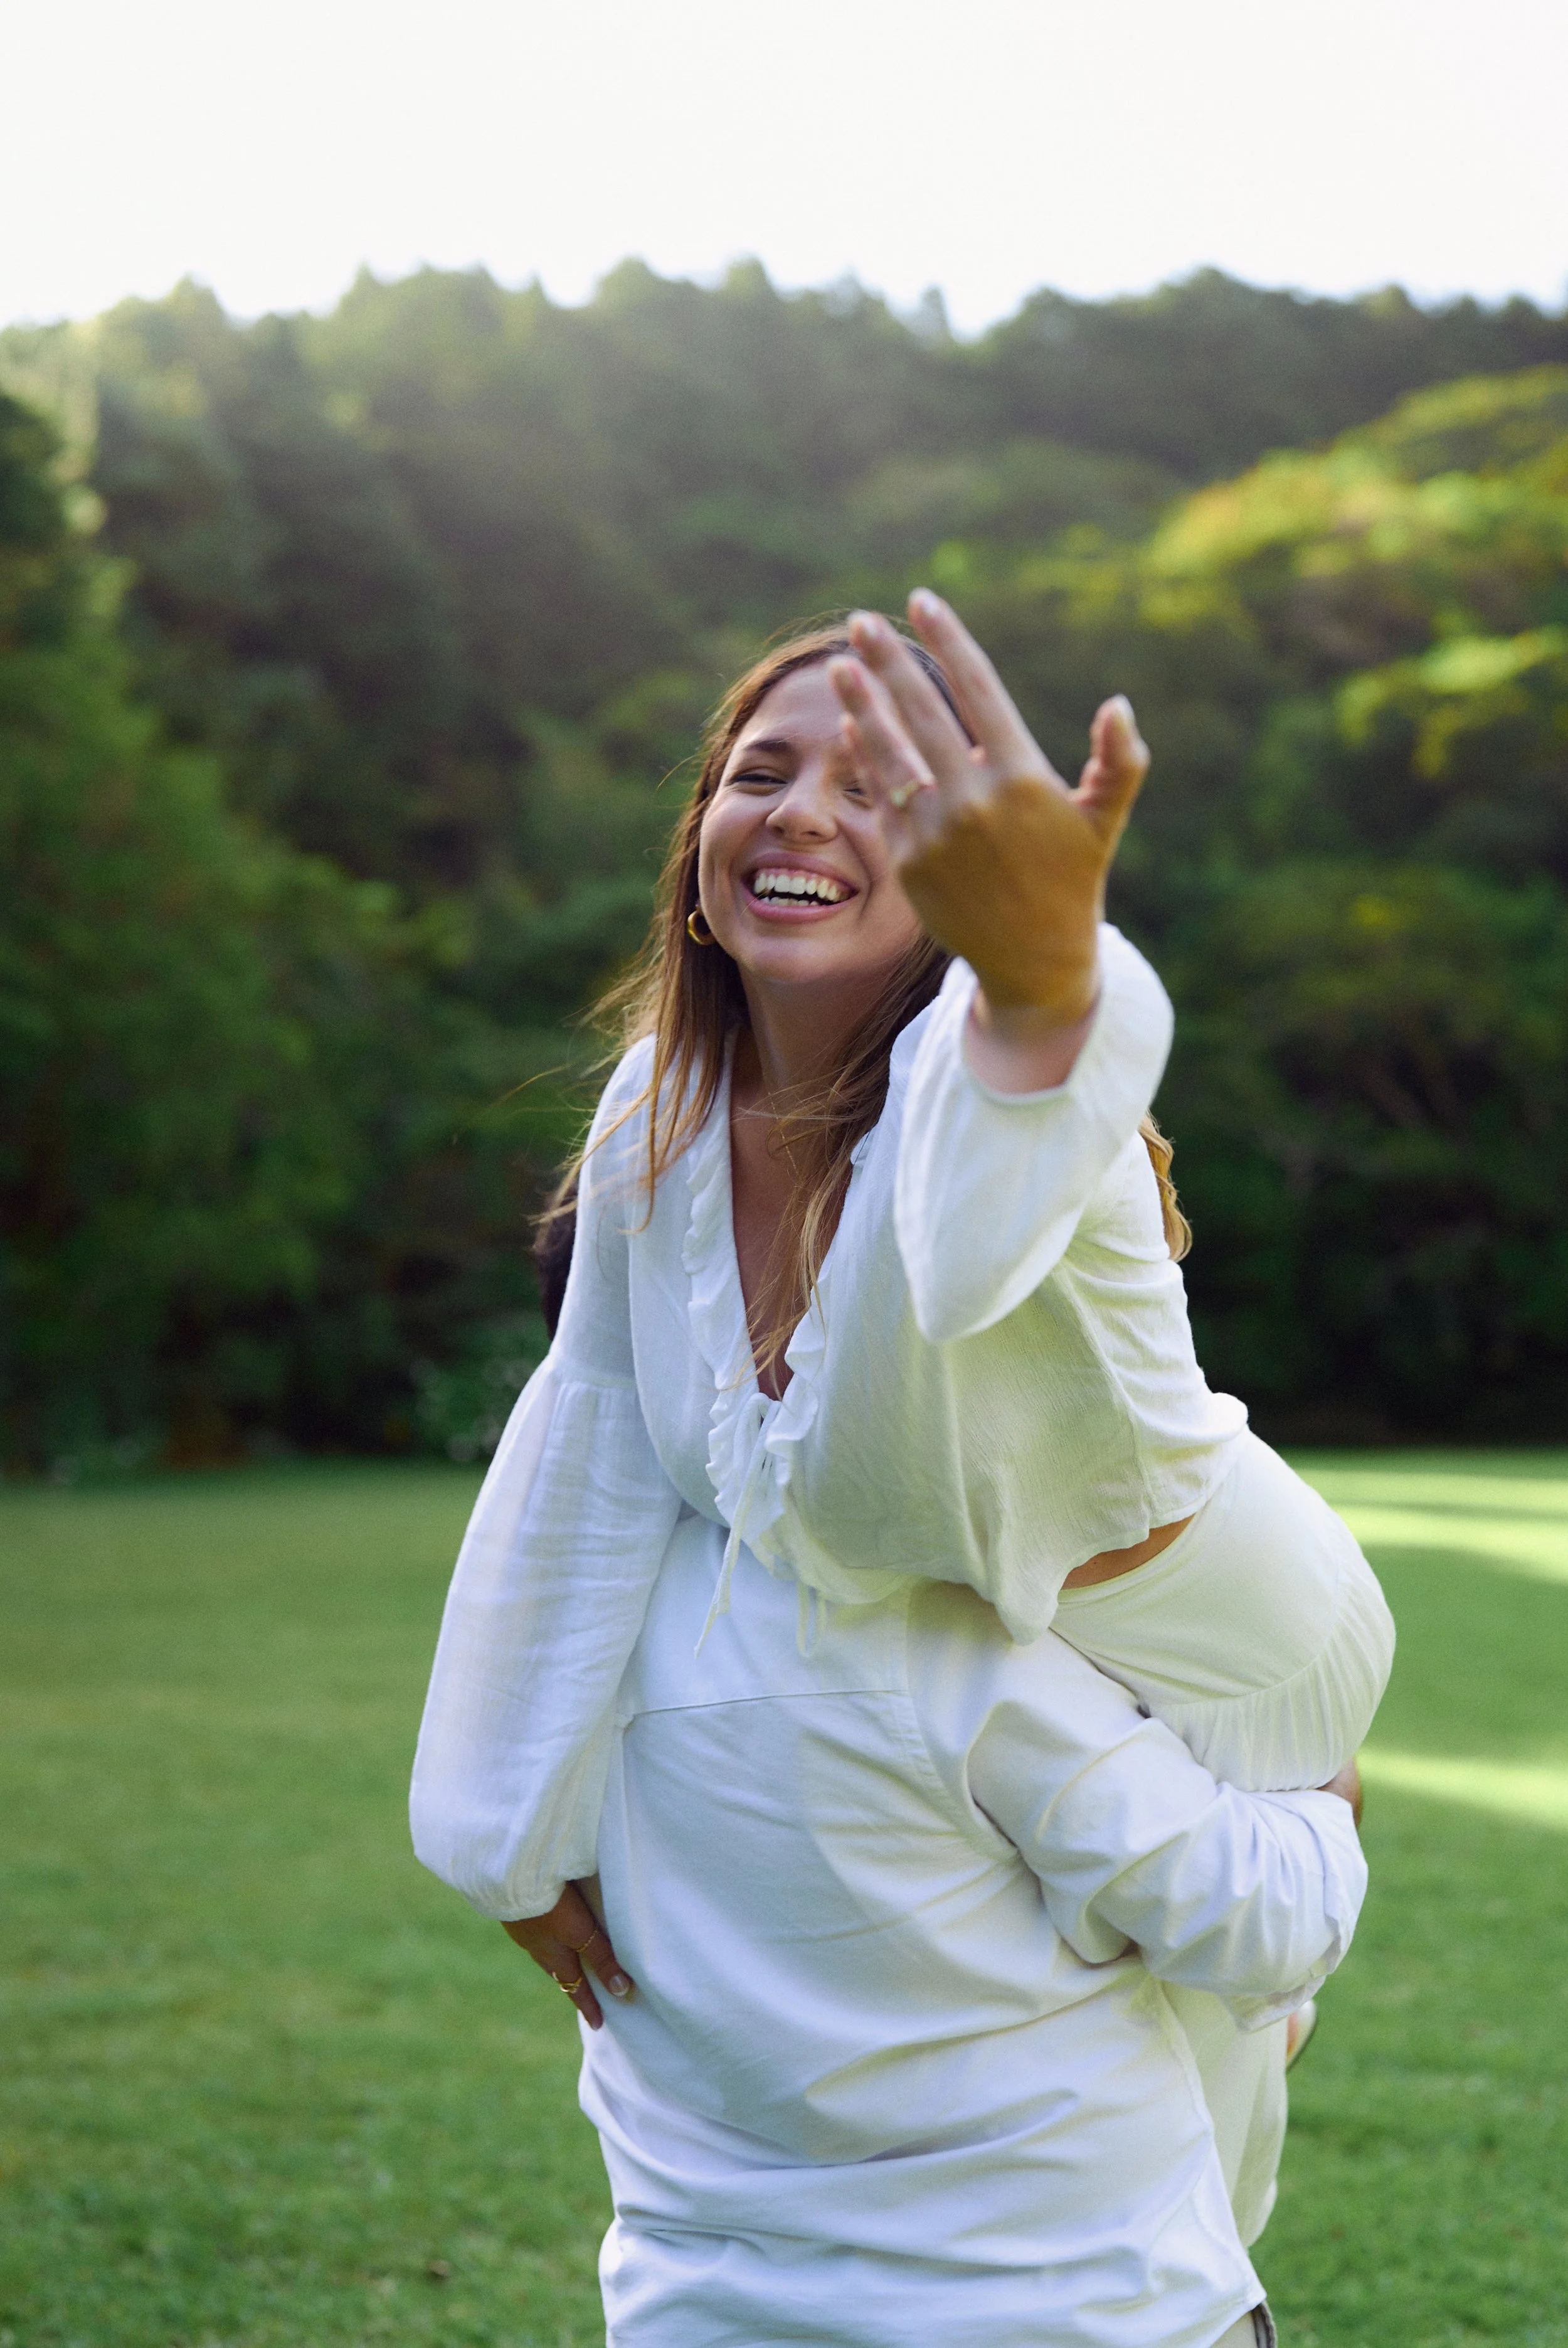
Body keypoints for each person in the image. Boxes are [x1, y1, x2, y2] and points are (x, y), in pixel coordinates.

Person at [411, 595, 1392, 2344]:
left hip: (1236, 1635)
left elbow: (971, 1210)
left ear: (953, 872)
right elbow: (592, 1423)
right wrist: (507, 1819)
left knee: (1219, 2018)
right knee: (1150, 2006)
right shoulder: (655, 1109)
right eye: (759, 773)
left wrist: (1045, 973)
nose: (798, 812)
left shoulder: (990, 1087)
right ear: (695, 835)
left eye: (873, 790)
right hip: (997, 1620)